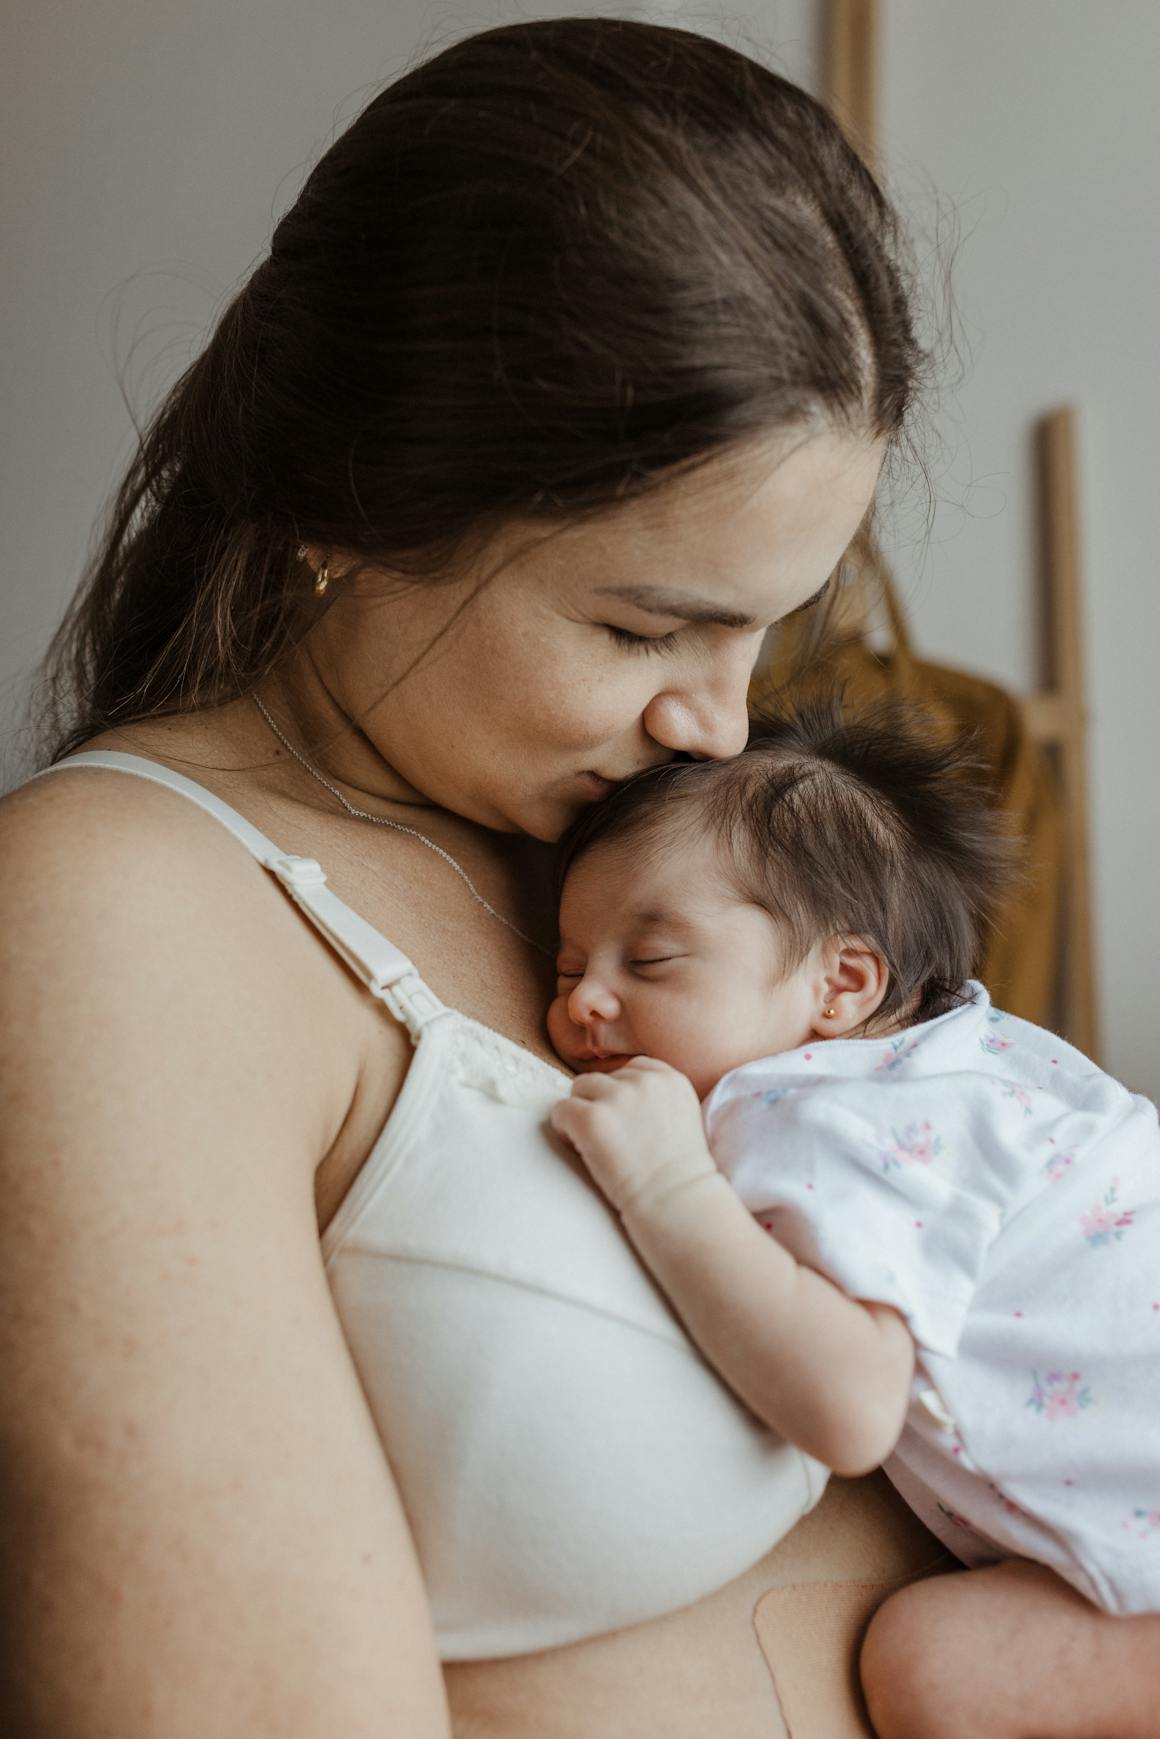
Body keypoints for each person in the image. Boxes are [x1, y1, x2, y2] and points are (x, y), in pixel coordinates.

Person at [1, 18, 941, 1738]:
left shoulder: (629, 851)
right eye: (646, 623)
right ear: (353, 500)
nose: (720, 717)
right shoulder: (123, 907)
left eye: (764, 625)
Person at [548, 697, 1160, 1739]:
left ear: (840, 983)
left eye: (647, 961)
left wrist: (664, 1186)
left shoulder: (819, 1107)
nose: (581, 1005)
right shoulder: (976, 1051)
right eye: (566, 966)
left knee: (937, 1664)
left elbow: (846, 1405)